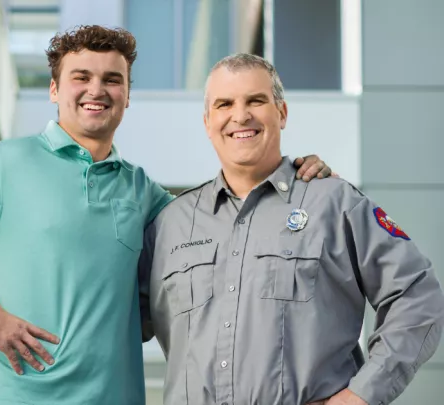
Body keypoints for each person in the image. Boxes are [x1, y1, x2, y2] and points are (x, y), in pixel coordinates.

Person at [0, 26, 331, 404]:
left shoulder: (145, 193)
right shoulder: (4, 164)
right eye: (81, 77)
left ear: (127, 95)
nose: (97, 90)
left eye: (112, 80)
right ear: (55, 89)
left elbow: (233, 220)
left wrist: (292, 172)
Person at [138, 53, 444, 405]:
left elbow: (417, 294)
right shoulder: (169, 226)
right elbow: (117, 322)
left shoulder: (334, 203)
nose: (240, 115)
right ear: (208, 122)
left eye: (256, 100)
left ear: (281, 113)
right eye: (225, 104)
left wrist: (361, 395)